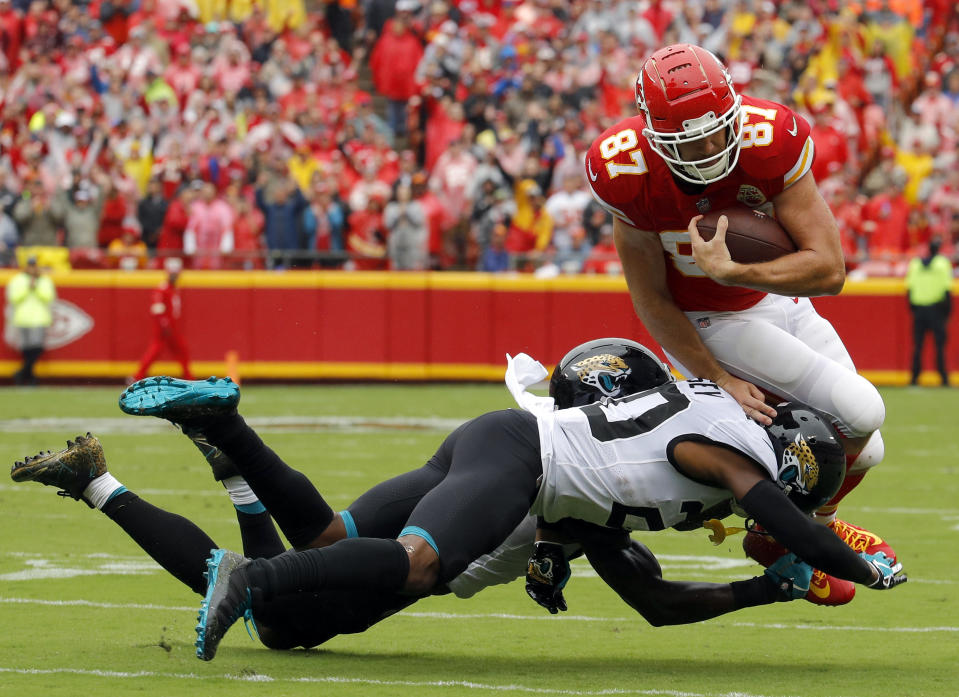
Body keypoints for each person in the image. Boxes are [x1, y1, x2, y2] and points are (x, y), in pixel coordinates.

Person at [13, 340, 818, 650]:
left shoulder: (597, 428)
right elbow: (651, 594)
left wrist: (551, 557)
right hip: (498, 479)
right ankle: (192, 489)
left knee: (328, 539)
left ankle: (204, 452)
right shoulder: (602, 467)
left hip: (483, 444)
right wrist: (766, 584)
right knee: (296, 613)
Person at [584, 43, 892, 604]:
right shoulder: (626, 170)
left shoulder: (770, 137)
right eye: (686, 141)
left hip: (775, 298)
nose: (705, 151)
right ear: (653, 136)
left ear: (736, 111)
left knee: (865, 447)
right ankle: (783, 525)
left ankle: (797, 532)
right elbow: (651, 299)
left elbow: (829, 269)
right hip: (707, 319)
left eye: (714, 132)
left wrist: (738, 268)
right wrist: (715, 377)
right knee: (864, 410)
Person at [130, 258, 193, 383]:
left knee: (180, 351)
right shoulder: (162, 289)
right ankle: (137, 376)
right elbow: (157, 308)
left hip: (171, 326)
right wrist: (164, 324)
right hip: (164, 327)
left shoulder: (172, 289)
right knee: (156, 351)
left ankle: (189, 377)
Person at [905, 238, 953, 386]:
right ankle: (943, 378)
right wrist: (947, 312)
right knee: (940, 346)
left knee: (918, 346)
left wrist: (914, 308)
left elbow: (909, 289)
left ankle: (914, 378)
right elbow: (946, 290)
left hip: (919, 310)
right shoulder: (942, 264)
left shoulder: (915, 264)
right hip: (937, 309)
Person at [5, 256, 55, 385]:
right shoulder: (18, 280)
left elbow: (48, 297)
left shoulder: (44, 281)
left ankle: (23, 373)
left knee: (37, 347)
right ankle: (30, 376)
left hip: (39, 318)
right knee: (26, 349)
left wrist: (36, 287)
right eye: (30, 265)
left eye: (34, 265)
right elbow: (13, 298)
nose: (32, 268)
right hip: (22, 318)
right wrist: (28, 287)